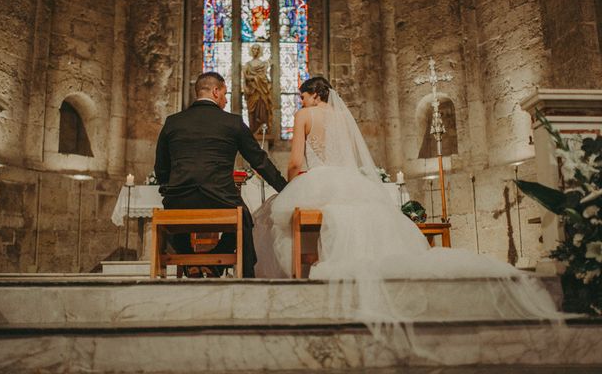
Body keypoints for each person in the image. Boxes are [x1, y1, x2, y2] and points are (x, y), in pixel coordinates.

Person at [252, 76, 562, 325]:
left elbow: (295, 163)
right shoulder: (344, 120)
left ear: (313, 95)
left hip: (319, 180)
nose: (302, 101)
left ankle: (300, 280)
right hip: (351, 183)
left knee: (274, 215)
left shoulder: (305, 114)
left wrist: (295, 185)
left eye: (303, 96)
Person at [154, 72, 287, 278]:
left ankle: (191, 262)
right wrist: (285, 189)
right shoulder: (232, 122)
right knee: (244, 218)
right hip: (220, 198)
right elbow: (259, 161)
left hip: (179, 199)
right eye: (224, 94)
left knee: (171, 209)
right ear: (215, 91)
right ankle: (216, 262)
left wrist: (170, 189)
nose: (225, 100)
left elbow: (161, 168)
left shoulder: (173, 122)